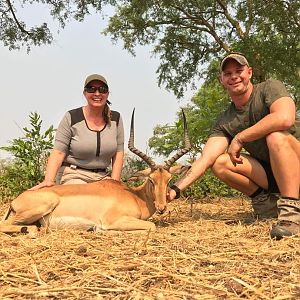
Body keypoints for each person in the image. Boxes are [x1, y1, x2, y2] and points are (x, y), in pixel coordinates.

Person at [169, 53, 300, 240]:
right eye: (228, 73)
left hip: (296, 163)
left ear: (250, 72)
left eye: (239, 71)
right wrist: (175, 189)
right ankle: (267, 207)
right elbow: (206, 159)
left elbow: (285, 118)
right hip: (275, 174)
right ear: (221, 79)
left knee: (276, 136)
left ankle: (290, 216)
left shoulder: (270, 88)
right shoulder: (225, 120)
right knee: (220, 163)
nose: (234, 76)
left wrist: (240, 138)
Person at [31, 73, 124, 189]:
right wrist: (48, 180)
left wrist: (114, 184)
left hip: (103, 178)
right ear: (85, 93)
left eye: (102, 90)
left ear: (108, 94)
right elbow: (58, 152)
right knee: (85, 203)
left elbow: (118, 153)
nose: (97, 93)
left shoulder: (116, 119)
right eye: (91, 89)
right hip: (74, 175)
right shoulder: (72, 117)